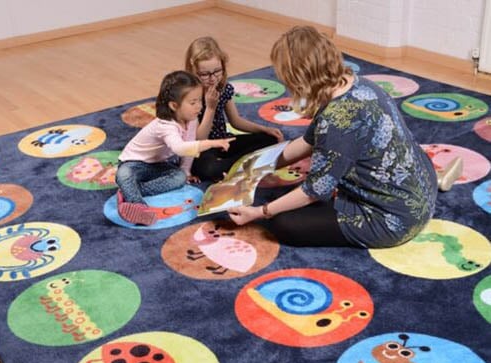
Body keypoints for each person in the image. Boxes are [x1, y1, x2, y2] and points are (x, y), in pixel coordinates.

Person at [228, 26, 438, 248]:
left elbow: (314, 191)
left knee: (284, 223)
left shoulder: (336, 123)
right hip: (422, 190)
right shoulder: (358, 84)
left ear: (299, 79)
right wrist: (252, 168)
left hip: (392, 220)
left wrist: (261, 212)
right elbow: (308, 142)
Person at [116, 70, 234, 226]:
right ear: (173, 105)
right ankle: (138, 205)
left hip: (156, 164)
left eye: (200, 100)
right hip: (133, 164)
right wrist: (212, 143)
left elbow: (190, 144)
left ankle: (129, 191)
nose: (199, 106)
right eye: (193, 103)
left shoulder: (191, 119)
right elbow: (180, 148)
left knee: (179, 177)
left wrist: (186, 172)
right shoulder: (165, 125)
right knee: (124, 173)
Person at [184, 36, 284, 181]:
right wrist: (210, 108)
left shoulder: (223, 88)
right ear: (193, 71)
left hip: (223, 142)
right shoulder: (190, 95)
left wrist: (264, 129)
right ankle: (241, 165)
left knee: (270, 139)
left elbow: (236, 121)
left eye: (217, 71)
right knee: (209, 169)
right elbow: (199, 139)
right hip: (201, 150)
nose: (212, 78)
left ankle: (233, 166)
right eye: (205, 74)